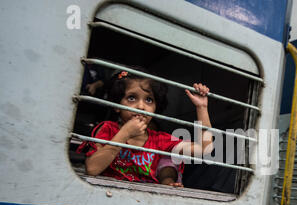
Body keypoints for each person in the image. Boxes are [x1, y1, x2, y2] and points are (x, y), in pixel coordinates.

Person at [77, 69, 213, 187]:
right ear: (117, 106)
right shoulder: (108, 129)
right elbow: (92, 169)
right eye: (131, 98)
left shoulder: (159, 139)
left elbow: (204, 149)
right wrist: (125, 133)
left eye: (149, 100)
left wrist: (201, 108)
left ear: (155, 108)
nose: (141, 106)